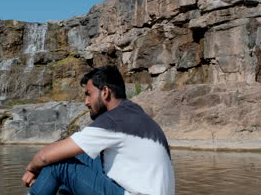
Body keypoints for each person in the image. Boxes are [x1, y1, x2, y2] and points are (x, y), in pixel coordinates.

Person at [22, 66, 175, 195]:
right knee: (79, 156)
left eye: (89, 94)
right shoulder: (134, 113)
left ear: (105, 92)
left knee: (58, 164)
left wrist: (32, 169)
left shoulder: (113, 120)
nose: (86, 102)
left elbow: (44, 157)